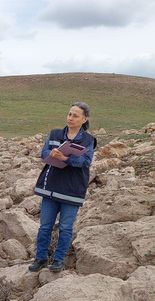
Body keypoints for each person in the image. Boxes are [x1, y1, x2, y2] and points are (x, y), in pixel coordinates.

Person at [28, 102, 95, 273]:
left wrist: (65, 158)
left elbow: (86, 162)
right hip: (50, 186)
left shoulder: (89, 140)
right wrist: (51, 154)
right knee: (45, 226)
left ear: (84, 119)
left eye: (75, 115)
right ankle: (40, 258)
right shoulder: (55, 133)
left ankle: (58, 260)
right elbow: (43, 153)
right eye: (69, 114)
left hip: (72, 191)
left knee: (65, 227)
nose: (70, 118)